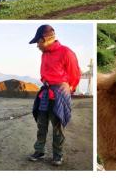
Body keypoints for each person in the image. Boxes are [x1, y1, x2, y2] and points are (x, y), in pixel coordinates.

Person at [28, 25, 81, 166]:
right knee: (41, 124)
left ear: (44, 39)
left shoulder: (66, 52)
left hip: (60, 92)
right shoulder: (44, 54)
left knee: (57, 127)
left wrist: (68, 89)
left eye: (38, 42)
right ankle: (39, 151)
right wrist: (45, 81)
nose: (37, 46)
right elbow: (43, 73)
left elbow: (75, 74)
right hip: (46, 91)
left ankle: (58, 155)